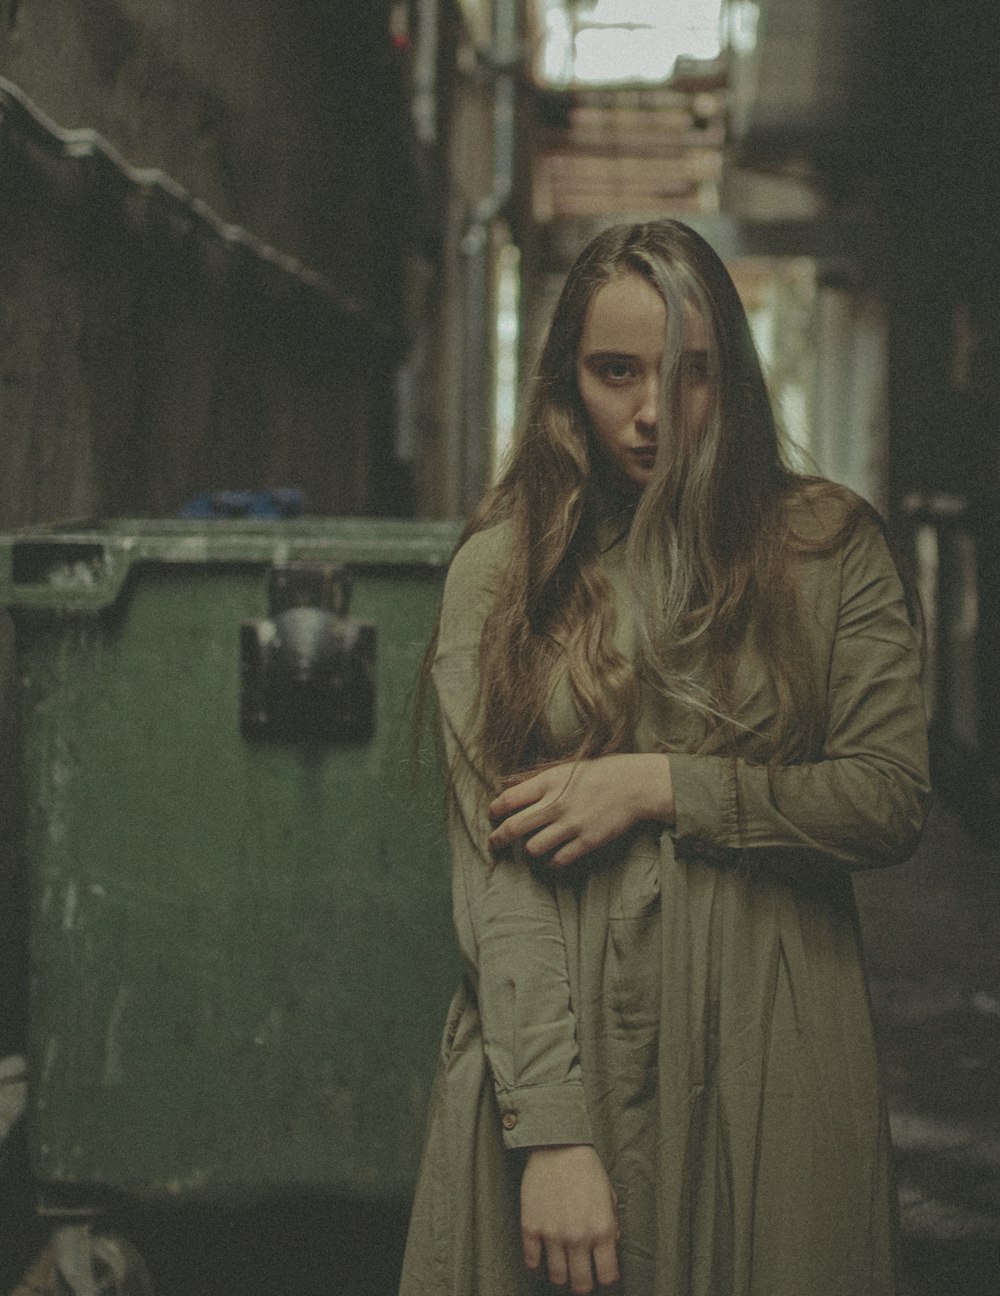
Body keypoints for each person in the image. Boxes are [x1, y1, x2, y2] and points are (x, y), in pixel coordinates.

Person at [399, 219, 930, 1296]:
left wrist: (660, 787)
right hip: (566, 1034)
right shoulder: (506, 571)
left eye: (690, 375)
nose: (651, 413)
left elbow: (885, 800)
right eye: (615, 372)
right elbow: (494, 875)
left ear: (733, 375)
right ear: (565, 381)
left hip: (774, 1040)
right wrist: (547, 1131)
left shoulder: (830, 549)